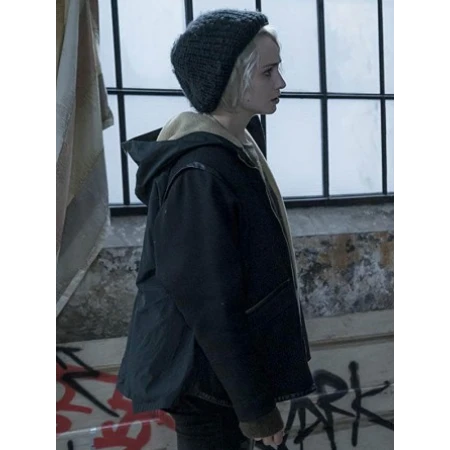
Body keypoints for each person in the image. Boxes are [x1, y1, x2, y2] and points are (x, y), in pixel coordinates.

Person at [117, 9, 315, 450]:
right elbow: (207, 301)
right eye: (268, 72)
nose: (282, 82)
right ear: (229, 81)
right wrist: (254, 405)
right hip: (205, 378)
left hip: (223, 373)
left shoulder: (238, 146)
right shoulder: (199, 171)